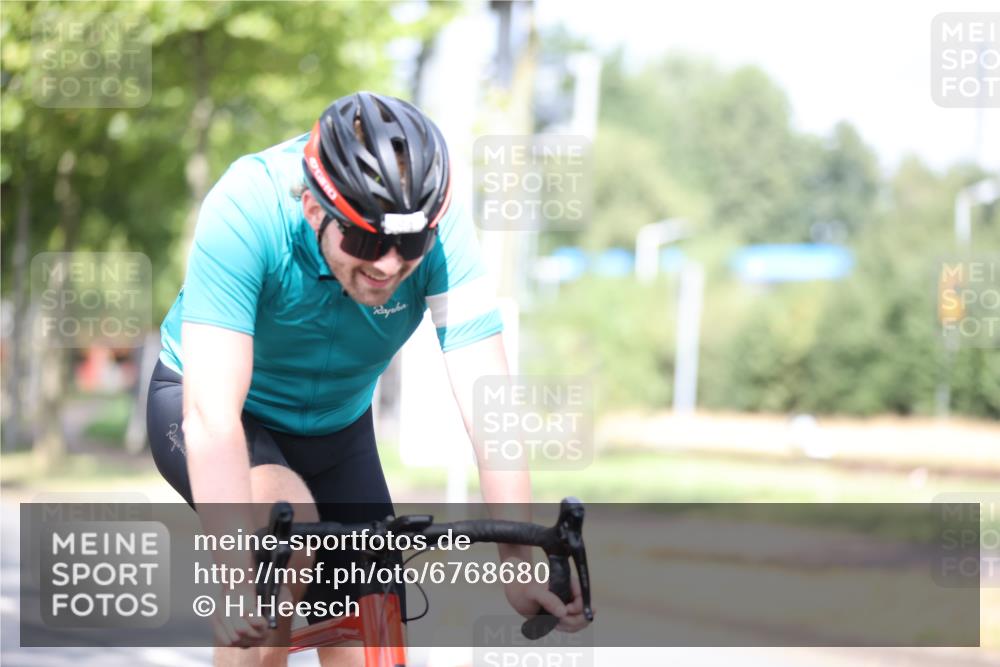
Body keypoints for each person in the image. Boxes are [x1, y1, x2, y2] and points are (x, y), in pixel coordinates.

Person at [146, 91, 588, 667]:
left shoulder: (443, 226)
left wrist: (518, 561)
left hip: (338, 430)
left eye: (409, 245)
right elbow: (212, 418)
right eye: (365, 240)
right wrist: (234, 572)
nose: (387, 264)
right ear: (314, 210)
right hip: (218, 410)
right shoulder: (246, 208)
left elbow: (492, 407)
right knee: (279, 542)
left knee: (372, 628)